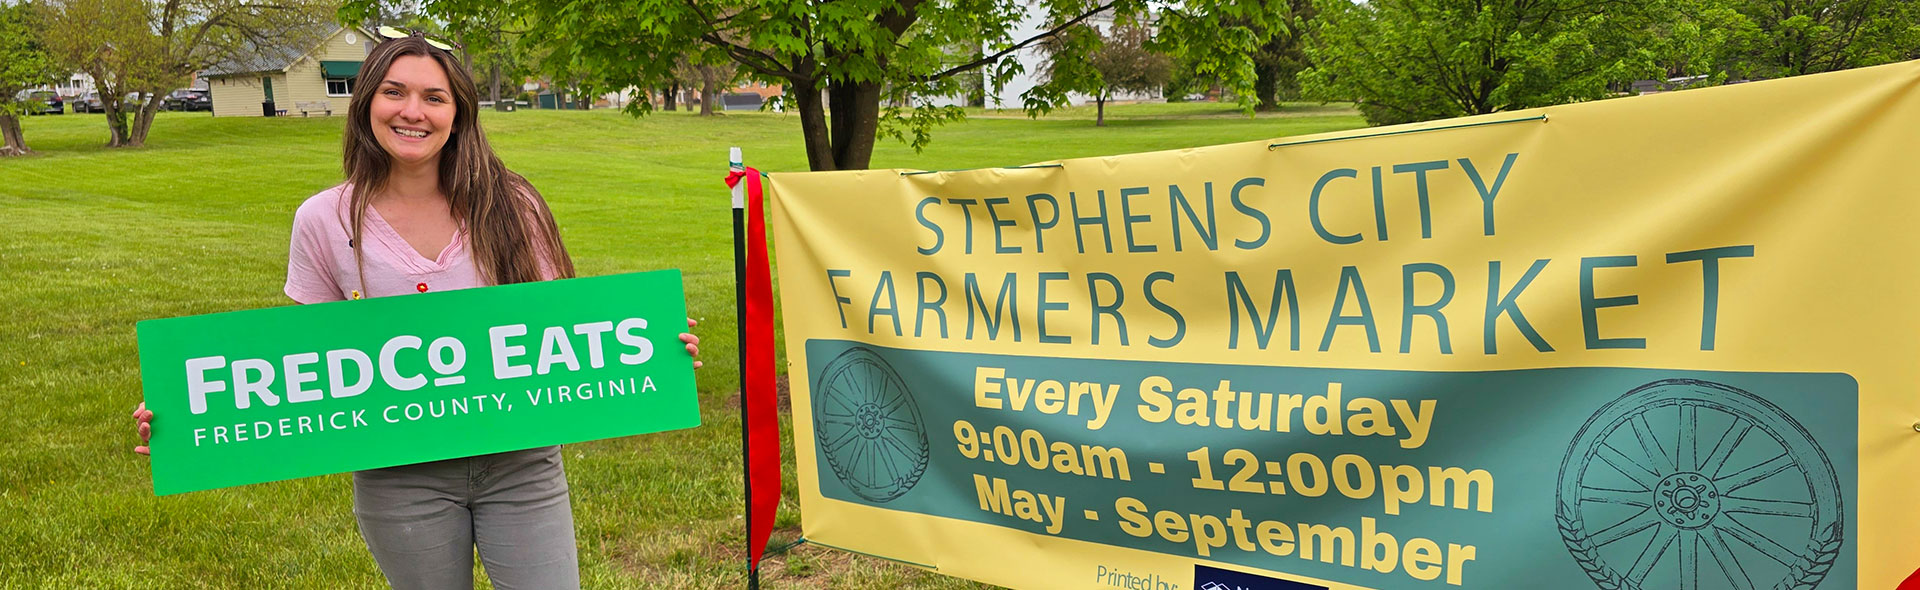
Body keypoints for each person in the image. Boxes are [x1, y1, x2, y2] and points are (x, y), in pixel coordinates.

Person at [130, 31, 700, 590]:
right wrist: (183, 411)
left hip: (521, 464)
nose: (413, 112)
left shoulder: (511, 203)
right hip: (399, 478)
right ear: (367, 103)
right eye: (394, 92)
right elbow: (302, 360)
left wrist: (655, 351)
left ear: (459, 114)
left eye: (434, 97)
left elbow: (568, 330)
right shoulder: (322, 220)